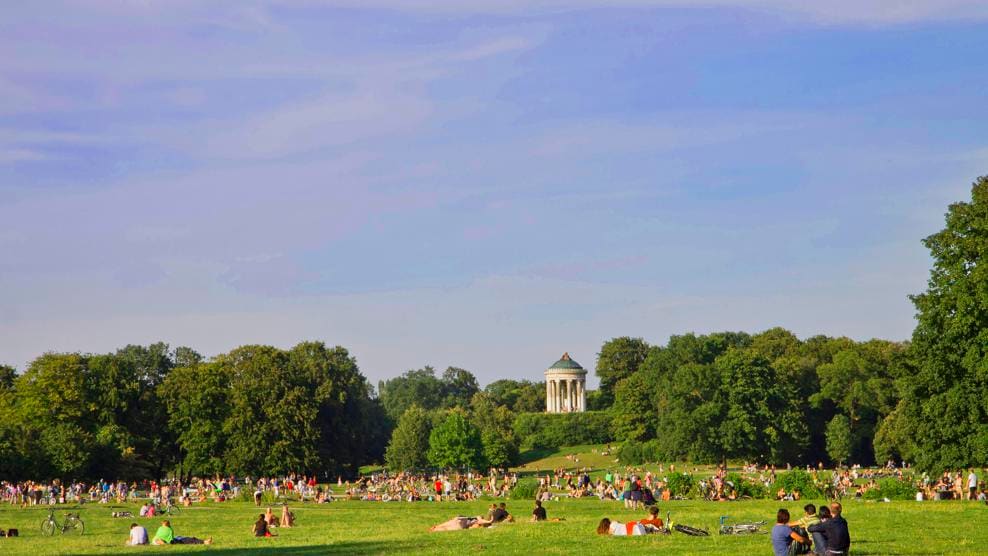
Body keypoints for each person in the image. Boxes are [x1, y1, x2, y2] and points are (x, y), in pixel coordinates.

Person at [429, 516, 494, 532]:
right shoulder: (476, 519)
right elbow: (480, 520)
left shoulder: (473, 523)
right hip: (460, 521)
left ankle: (435, 528)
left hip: (458, 520)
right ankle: (435, 528)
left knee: (445, 526)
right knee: (446, 527)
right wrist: (489, 521)